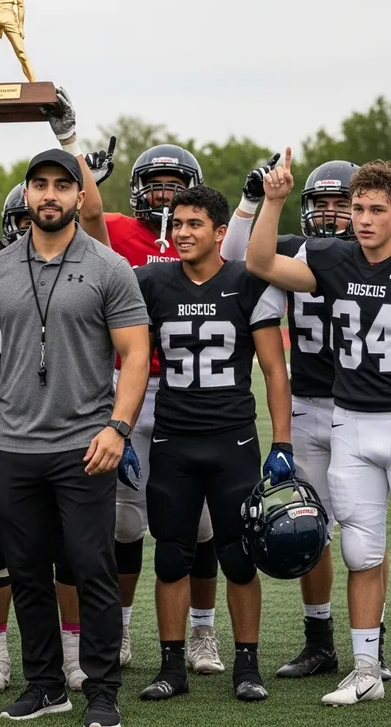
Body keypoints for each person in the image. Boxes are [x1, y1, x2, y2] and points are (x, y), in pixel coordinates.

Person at [0, 148, 150, 727]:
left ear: (80, 195)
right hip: (14, 446)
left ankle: (102, 693)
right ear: (26, 195)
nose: (49, 195)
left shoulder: (109, 266)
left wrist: (118, 427)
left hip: (85, 444)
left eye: (61, 185)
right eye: (39, 185)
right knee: (25, 573)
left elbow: (134, 354)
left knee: (90, 571)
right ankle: (46, 684)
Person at [79, 143, 253, 673]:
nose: (162, 195)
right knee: (127, 524)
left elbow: (239, 263)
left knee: (201, 527)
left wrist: (249, 206)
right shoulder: (120, 233)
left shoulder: (202, 237)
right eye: (153, 183)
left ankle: (203, 634)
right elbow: (93, 241)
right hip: (130, 388)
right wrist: (84, 173)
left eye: (172, 184)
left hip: (193, 396)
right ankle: (124, 629)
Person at [223, 158, 391, 680]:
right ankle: (329, 644)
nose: (351, 216)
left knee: (364, 539)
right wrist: (266, 200)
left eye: (365, 207)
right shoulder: (320, 253)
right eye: (344, 206)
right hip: (334, 409)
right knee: (339, 535)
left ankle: (371, 652)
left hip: (357, 404)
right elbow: (249, 260)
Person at [135, 185, 289, 703]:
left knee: (239, 557)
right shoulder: (153, 281)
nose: (181, 233)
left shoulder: (247, 282)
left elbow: (273, 367)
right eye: (176, 224)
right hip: (174, 439)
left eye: (194, 224)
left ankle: (248, 666)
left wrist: (281, 442)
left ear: (221, 233)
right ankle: (171, 665)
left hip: (232, 439)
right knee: (172, 558)